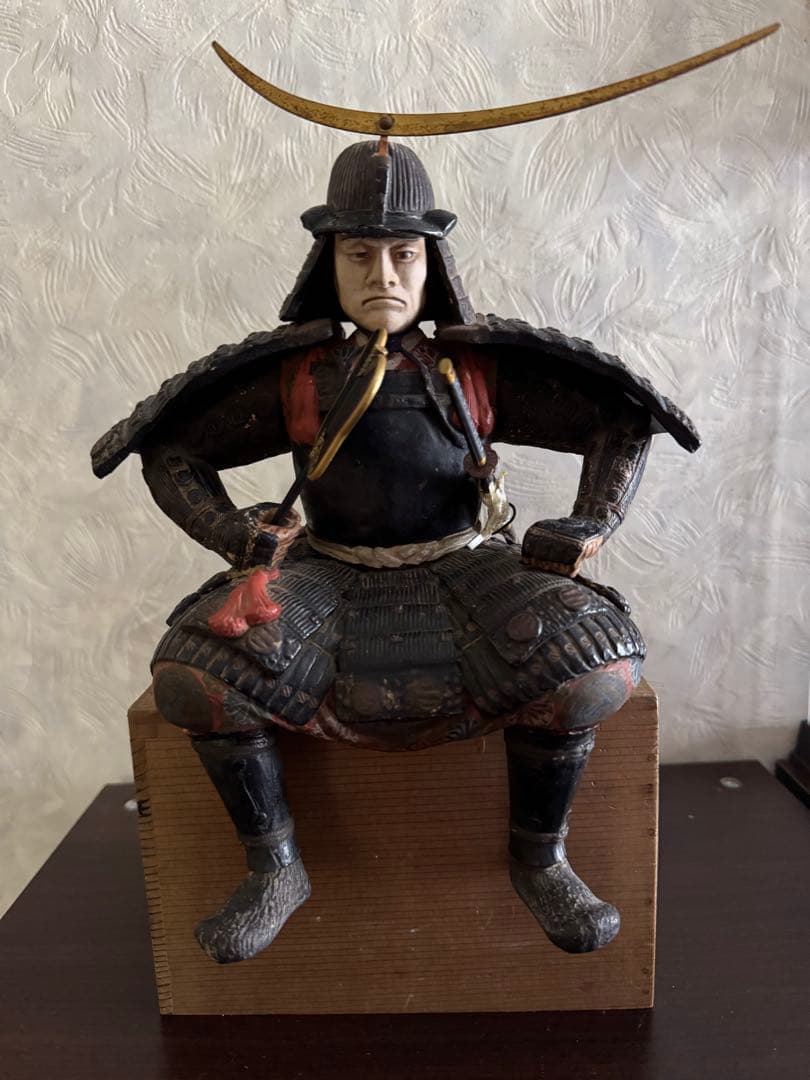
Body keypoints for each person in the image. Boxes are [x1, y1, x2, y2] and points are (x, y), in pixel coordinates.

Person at [92, 140, 698, 964]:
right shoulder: (302, 375)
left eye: (403, 254)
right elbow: (169, 451)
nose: (383, 274)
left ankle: (540, 856)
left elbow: (620, 420)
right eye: (360, 254)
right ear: (329, 263)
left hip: (469, 563)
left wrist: (589, 522)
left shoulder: (472, 368)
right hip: (327, 571)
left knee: (594, 665)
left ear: (431, 263)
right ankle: (274, 866)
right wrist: (236, 535)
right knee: (193, 679)